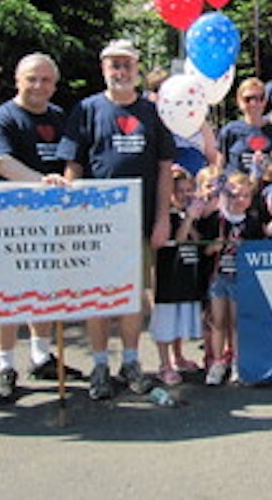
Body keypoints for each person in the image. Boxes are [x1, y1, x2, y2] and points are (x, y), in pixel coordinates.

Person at [57, 39, 176, 400]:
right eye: (113, 65)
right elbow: (73, 165)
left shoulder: (153, 113)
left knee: (132, 296)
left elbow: (164, 169)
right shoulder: (86, 110)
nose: (120, 71)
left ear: (137, 69)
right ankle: (99, 366)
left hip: (138, 223)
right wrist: (72, 213)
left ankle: (130, 361)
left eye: (126, 64)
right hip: (96, 225)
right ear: (103, 69)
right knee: (97, 297)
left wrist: (162, 219)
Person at [0, 52, 83, 405]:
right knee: (8, 295)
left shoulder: (60, 117)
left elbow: (73, 160)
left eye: (45, 80)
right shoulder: (3, 118)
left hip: (52, 219)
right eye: (32, 79)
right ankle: (5, 366)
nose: (39, 86)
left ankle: (41, 356)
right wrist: (44, 182)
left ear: (54, 84)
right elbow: (2, 162)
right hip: (11, 220)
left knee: (47, 288)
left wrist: (67, 188)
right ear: (17, 79)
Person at [197, 171, 263, 386]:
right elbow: (204, 250)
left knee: (235, 322)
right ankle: (217, 362)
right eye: (235, 195)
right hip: (218, 277)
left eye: (245, 195)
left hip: (240, 278)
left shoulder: (252, 222)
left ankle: (236, 360)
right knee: (218, 321)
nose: (240, 200)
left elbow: (257, 252)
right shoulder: (217, 219)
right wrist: (213, 247)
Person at [151, 165, 210, 386]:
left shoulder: (189, 214)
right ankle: (164, 364)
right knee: (166, 324)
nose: (185, 195)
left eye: (189, 190)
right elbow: (180, 238)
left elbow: (196, 238)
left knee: (180, 322)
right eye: (180, 191)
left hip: (186, 279)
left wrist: (193, 216)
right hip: (169, 280)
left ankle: (178, 356)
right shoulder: (168, 217)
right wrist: (187, 220)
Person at [218, 78, 272, 188]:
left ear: (265, 101)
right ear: (239, 101)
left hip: (266, 192)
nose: (254, 103)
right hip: (236, 192)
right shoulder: (230, 131)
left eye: (259, 98)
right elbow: (220, 164)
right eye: (248, 99)